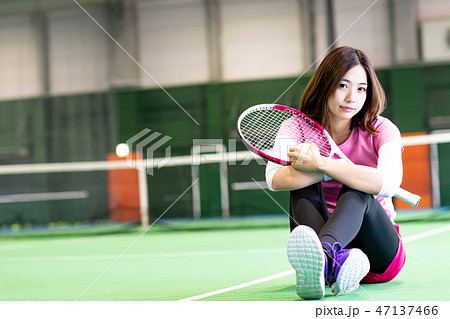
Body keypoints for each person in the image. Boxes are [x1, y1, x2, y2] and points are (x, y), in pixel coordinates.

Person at [265, 46, 406, 300]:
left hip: (380, 254)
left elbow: (388, 183)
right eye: (343, 85)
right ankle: (331, 262)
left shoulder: (382, 129)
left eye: (361, 88)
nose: (352, 97)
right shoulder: (295, 126)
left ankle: (326, 252)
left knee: (360, 186)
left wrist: (323, 165)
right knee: (299, 181)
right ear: (325, 84)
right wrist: (322, 172)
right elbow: (274, 178)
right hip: (325, 236)